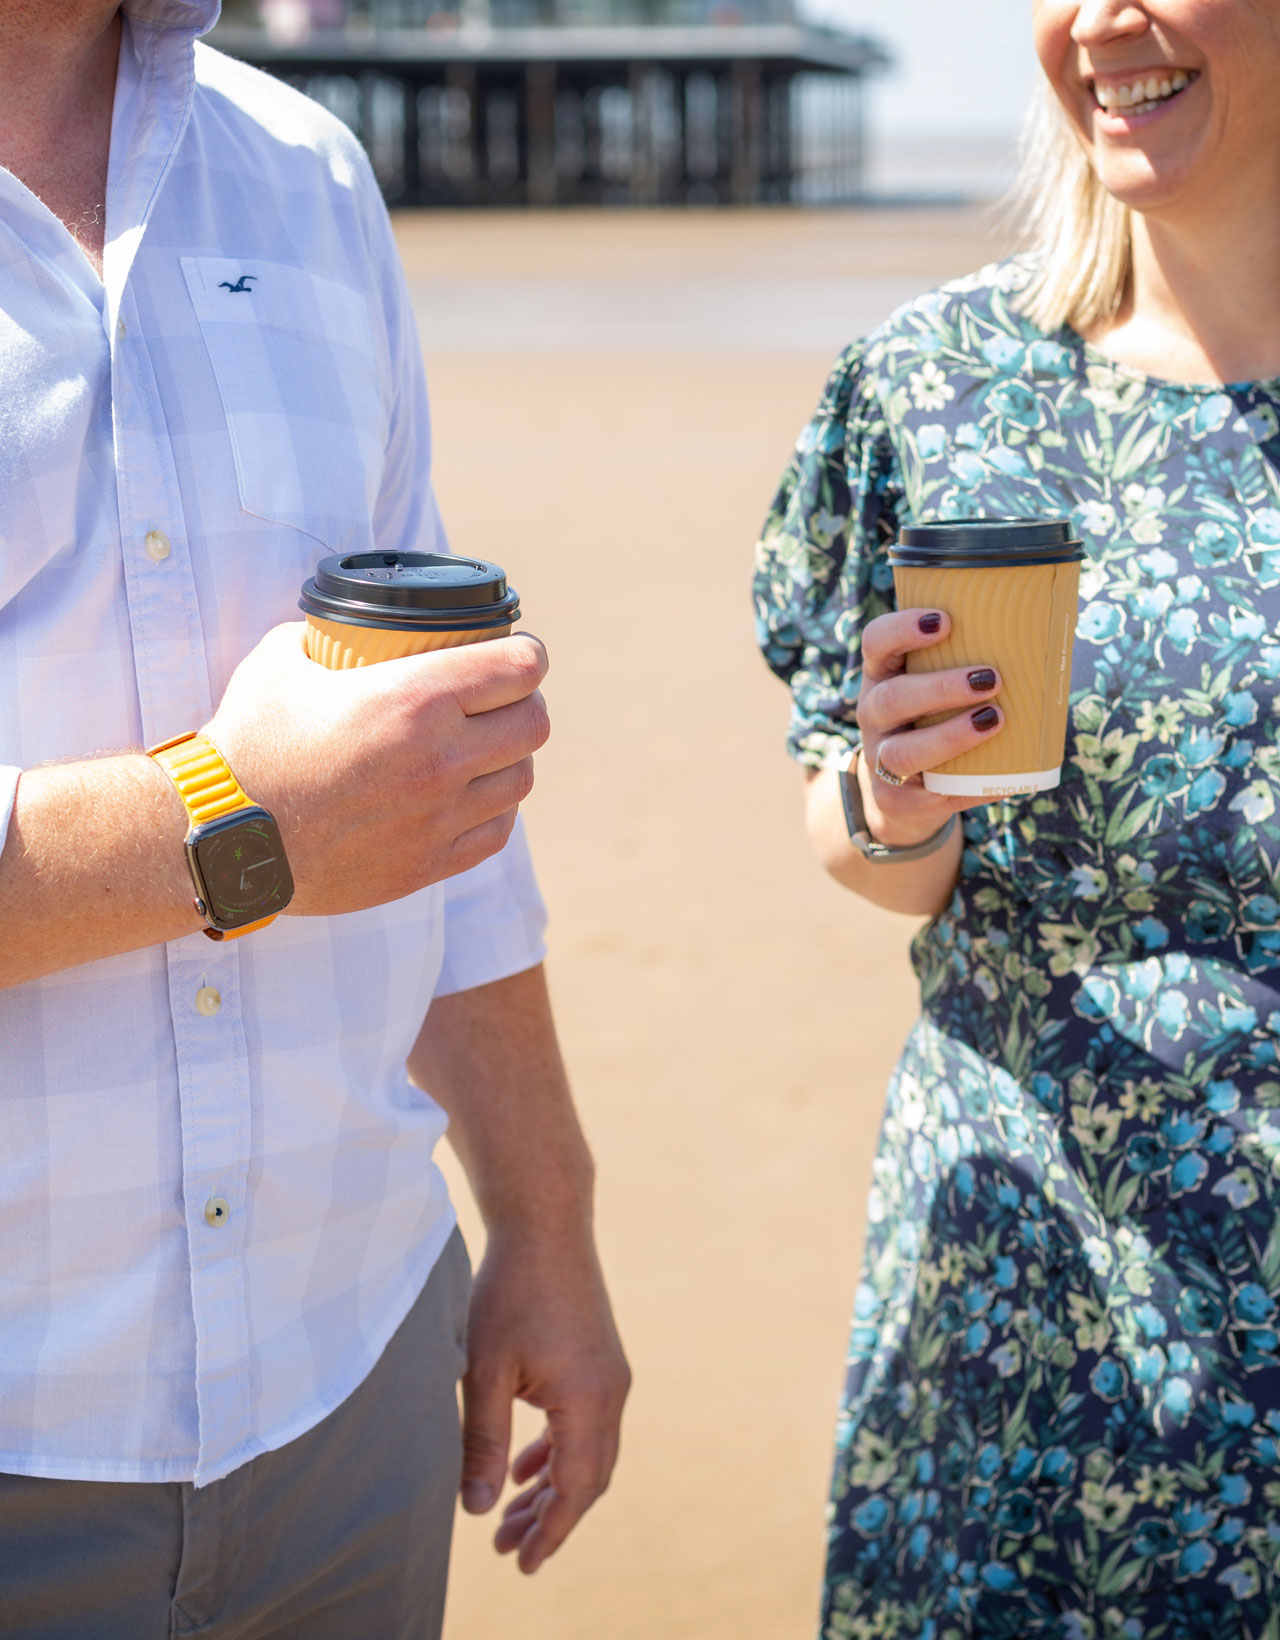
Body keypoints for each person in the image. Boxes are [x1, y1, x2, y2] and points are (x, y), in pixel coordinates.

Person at [0, 3, 628, 1636]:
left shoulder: (304, 173)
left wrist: (545, 1218)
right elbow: (312, 802)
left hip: (353, 1381)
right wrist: (235, 821)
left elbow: (430, 779)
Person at [755, 1, 1280, 1633]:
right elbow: (863, 835)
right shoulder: (935, 382)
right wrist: (893, 790)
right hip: (1025, 1292)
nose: (1103, 20)